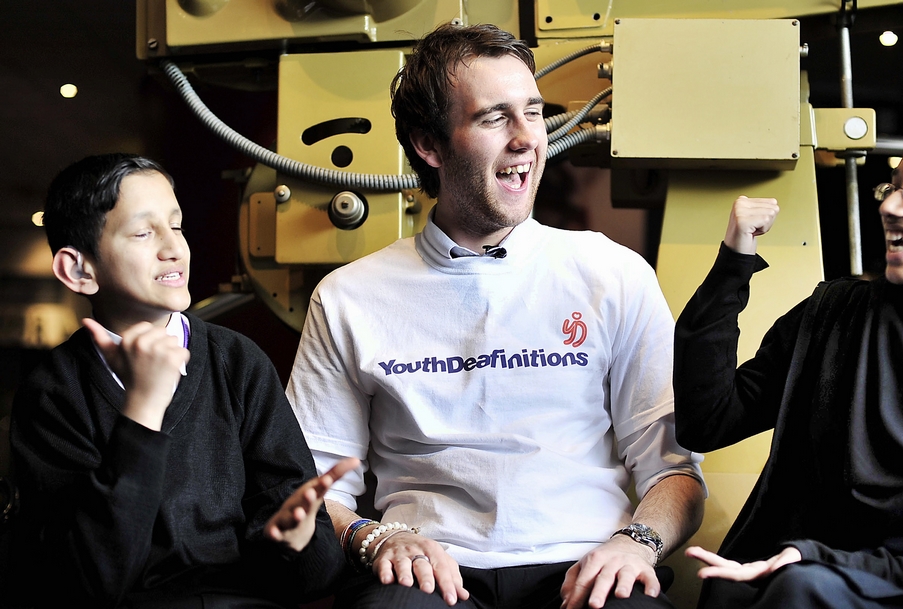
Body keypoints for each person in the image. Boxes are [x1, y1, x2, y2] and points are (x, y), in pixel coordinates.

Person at [286, 22, 705, 609]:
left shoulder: (613, 273)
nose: (528, 138)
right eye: (494, 118)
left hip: (586, 565)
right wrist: (374, 537)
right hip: (429, 575)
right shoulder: (347, 297)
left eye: (532, 111)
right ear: (430, 145)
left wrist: (636, 545)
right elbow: (315, 486)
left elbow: (675, 472)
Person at [673, 122, 903, 609]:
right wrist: (733, 262)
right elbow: (708, 420)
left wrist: (816, 564)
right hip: (788, 582)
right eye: (892, 187)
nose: (889, 206)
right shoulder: (838, 316)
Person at [8, 153, 355, 607]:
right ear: (79, 270)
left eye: (177, 225)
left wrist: (298, 543)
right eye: (143, 232)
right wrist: (144, 408)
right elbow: (90, 581)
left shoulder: (238, 362)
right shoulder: (53, 392)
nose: (173, 247)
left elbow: (318, 577)